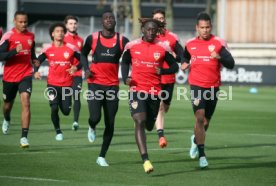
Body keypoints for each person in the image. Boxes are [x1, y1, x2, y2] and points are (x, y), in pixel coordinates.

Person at [121, 18, 179, 173]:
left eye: (154, 29)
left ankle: (150, 126)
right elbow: (125, 62)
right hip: (137, 89)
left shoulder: (163, 47)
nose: (151, 32)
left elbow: (174, 66)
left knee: (148, 125)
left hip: (154, 92)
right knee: (139, 121)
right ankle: (145, 160)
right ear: (143, 30)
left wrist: (164, 71)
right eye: (148, 29)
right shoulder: (132, 46)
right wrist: (125, 77)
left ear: (157, 31)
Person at [181, 12, 235, 168]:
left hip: (213, 87)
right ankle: (202, 156)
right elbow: (184, 57)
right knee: (199, 117)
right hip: (196, 85)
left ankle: (195, 140)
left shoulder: (219, 43)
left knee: (205, 122)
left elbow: (231, 63)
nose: (205, 30)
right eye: (202, 27)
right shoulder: (190, 43)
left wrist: (220, 57)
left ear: (211, 27)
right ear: (197, 28)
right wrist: (184, 64)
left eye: (208, 27)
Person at [82, 11, 129, 167]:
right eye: (106, 18)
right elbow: (82, 54)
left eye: (112, 18)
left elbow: (130, 56)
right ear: (102, 22)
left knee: (110, 122)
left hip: (112, 86)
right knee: (95, 117)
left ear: (115, 22)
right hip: (95, 83)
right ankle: (92, 126)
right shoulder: (93, 38)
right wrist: (86, 69)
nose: (109, 20)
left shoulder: (122, 40)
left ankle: (102, 156)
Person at [34, 23, 87, 141]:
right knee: (54, 108)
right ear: (52, 34)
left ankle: (66, 114)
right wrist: (36, 71)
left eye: (62, 31)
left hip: (67, 85)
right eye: (57, 31)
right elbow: (38, 60)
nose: (60, 33)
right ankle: (58, 131)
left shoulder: (71, 48)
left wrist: (76, 68)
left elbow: (83, 59)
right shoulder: (48, 48)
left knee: (66, 111)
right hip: (52, 84)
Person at [0, 11, 38, 148]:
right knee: (7, 105)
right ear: (14, 21)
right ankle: (7, 118)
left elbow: (31, 51)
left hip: (26, 75)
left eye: (25, 22)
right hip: (10, 77)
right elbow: (0, 56)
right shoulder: (8, 36)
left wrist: (35, 60)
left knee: (26, 102)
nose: (23, 24)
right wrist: (14, 51)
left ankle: (24, 137)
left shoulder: (31, 35)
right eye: (20, 22)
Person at [152, 9, 185, 148]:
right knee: (159, 107)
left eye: (161, 18)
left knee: (165, 108)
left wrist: (175, 56)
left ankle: (154, 116)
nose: (159, 20)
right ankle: (161, 136)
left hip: (169, 79)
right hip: (154, 78)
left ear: (164, 20)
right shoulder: (149, 36)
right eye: (156, 18)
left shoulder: (172, 38)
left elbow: (182, 56)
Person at [64, 15, 84, 131]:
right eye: (70, 23)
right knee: (66, 103)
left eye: (75, 23)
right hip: (65, 74)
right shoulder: (62, 39)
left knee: (76, 96)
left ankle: (75, 121)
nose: (73, 25)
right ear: (66, 25)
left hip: (77, 73)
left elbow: (82, 58)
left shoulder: (81, 40)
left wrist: (78, 67)